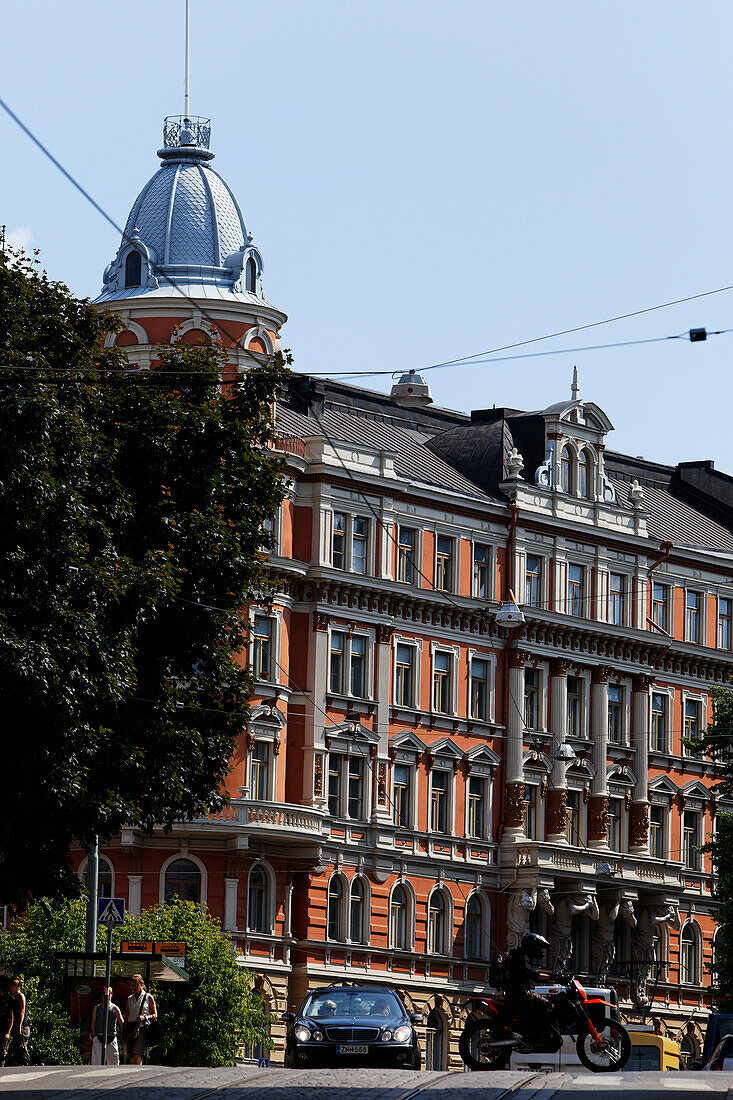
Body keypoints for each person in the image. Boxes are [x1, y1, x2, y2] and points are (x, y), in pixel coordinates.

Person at [503, 933, 561, 1052]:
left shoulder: (521, 956)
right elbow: (532, 974)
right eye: (539, 947)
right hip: (521, 993)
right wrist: (552, 977)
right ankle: (533, 1035)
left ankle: (528, 1030)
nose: (540, 951)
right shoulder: (522, 957)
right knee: (548, 1005)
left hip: (516, 993)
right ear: (532, 946)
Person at [124, 974, 157, 1066]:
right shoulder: (129, 999)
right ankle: (136, 1072)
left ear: (141, 984)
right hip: (131, 1029)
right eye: (132, 986)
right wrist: (123, 1031)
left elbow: (155, 1014)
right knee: (131, 1058)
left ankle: (137, 1075)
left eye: (136, 985)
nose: (134, 988)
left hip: (142, 1028)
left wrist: (145, 1017)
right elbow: (127, 1016)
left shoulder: (148, 997)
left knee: (137, 1054)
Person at [90, 987, 124, 1066]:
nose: (105, 996)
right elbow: (93, 1023)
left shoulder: (115, 1008)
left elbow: (122, 1022)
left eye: (107, 994)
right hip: (99, 1037)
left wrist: (123, 1035)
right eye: (103, 994)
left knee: (114, 1062)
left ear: (111, 995)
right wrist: (94, 1036)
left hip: (111, 1038)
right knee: (96, 1062)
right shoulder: (96, 1008)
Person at [6, 977, 28, 1067]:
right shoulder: (13, 998)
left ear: (15, 987)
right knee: (14, 1048)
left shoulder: (20, 996)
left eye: (11, 987)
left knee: (21, 1047)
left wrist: (20, 1025)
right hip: (16, 1026)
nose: (10, 990)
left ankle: (25, 1063)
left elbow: (22, 1011)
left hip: (22, 1026)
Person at [0, 977, 15, 1067]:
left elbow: (11, 1017)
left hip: (4, 1029)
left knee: (2, 1054)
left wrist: (8, 1032)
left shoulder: (8, 999)